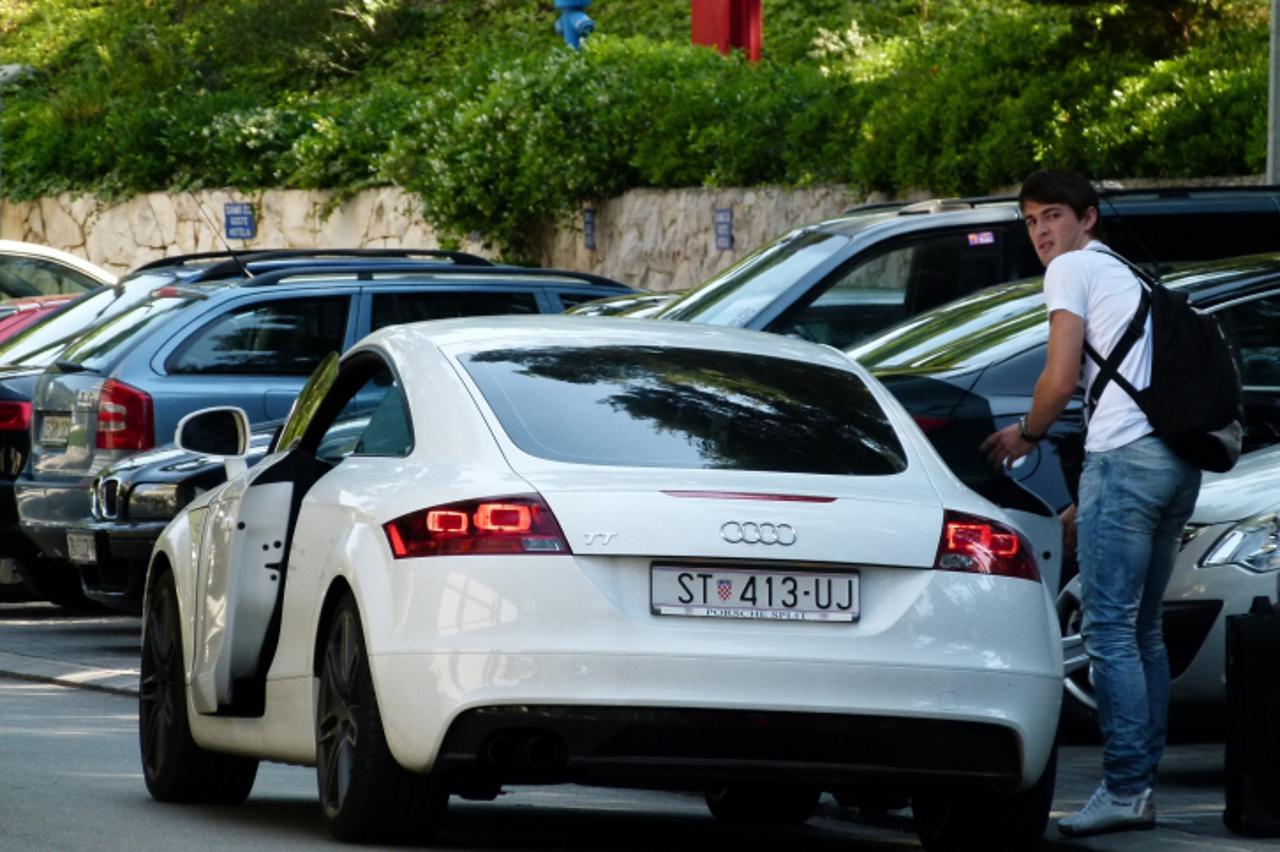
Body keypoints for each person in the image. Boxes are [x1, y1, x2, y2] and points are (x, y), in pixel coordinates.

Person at [980, 169, 1201, 837]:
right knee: (1142, 631)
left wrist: (1028, 433)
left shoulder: (1071, 272)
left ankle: (1127, 787)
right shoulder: (1125, 273)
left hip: (1128, 465)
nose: (1042, 231)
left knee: (1107, 629)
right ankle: (1141, 785)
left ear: (1087, 218)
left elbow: (1060, 374)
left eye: (1053, 215)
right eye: (1030, 220)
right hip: (1174, 464)